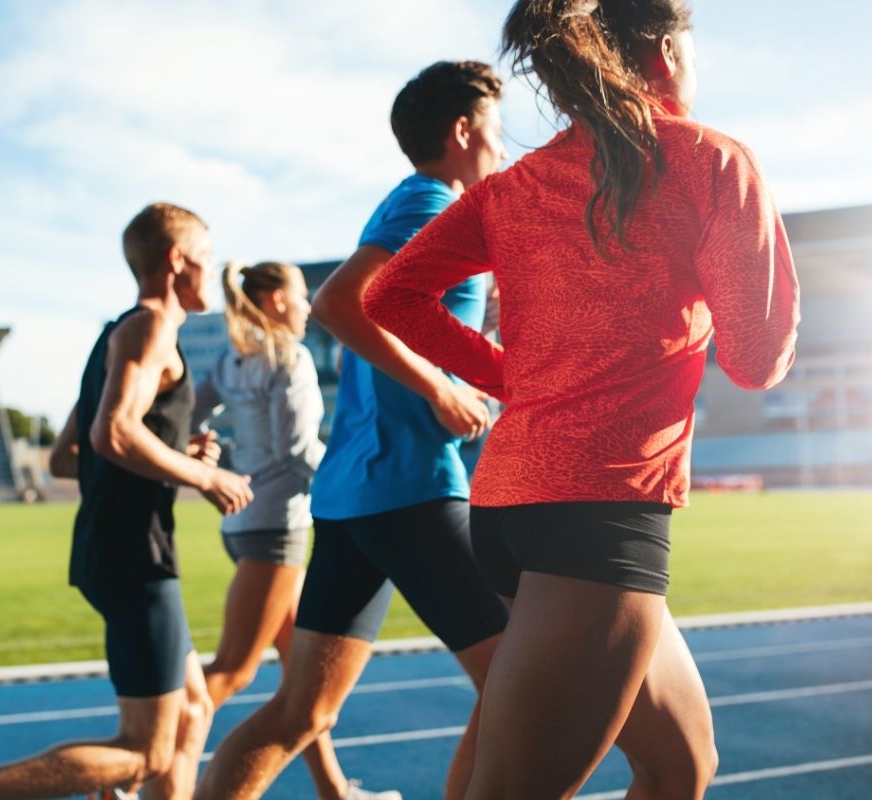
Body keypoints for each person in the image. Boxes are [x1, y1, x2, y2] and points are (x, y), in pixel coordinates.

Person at [363, 2, 801, 797]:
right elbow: (756, 362)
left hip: (508, 507)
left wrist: (511, 378)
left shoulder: (513, 185)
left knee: (680, 766)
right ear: (666, 53)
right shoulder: (711, 161)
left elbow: (390, 296)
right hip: (597, 519)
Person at [195, 60, 511, 800]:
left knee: (303, 711)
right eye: (496, 132)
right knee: (516, 683)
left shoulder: (411, 206)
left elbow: (384, 326)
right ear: (463, 131)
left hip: (354, 493)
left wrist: (464, 357)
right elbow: (340, 305)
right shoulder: (431, 200)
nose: (503, 150)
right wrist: (440, 388)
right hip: (408, 483)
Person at [0, 202, 254, 800]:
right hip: (134, 555)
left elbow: (67, 457)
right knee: (144, 752)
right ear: (175, 259)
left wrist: (173, 446)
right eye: (205, 257)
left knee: (193, 710)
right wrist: (203, 475)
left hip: (112, 548)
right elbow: (112, 433)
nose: (211, 271)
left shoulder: (114, 334)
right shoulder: (150, 329)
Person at [192, 261, 399, 800]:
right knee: (233, 671)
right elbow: (299, 451)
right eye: (302, 295)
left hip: (243, 524)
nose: (309, 307)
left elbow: (190, 416)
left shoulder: (232, 357)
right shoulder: (290, 357)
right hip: (277, 528)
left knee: (302, 680)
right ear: (276, 300)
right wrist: (353, 479)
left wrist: (216, 454)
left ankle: (335, 791)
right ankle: (143, 772)